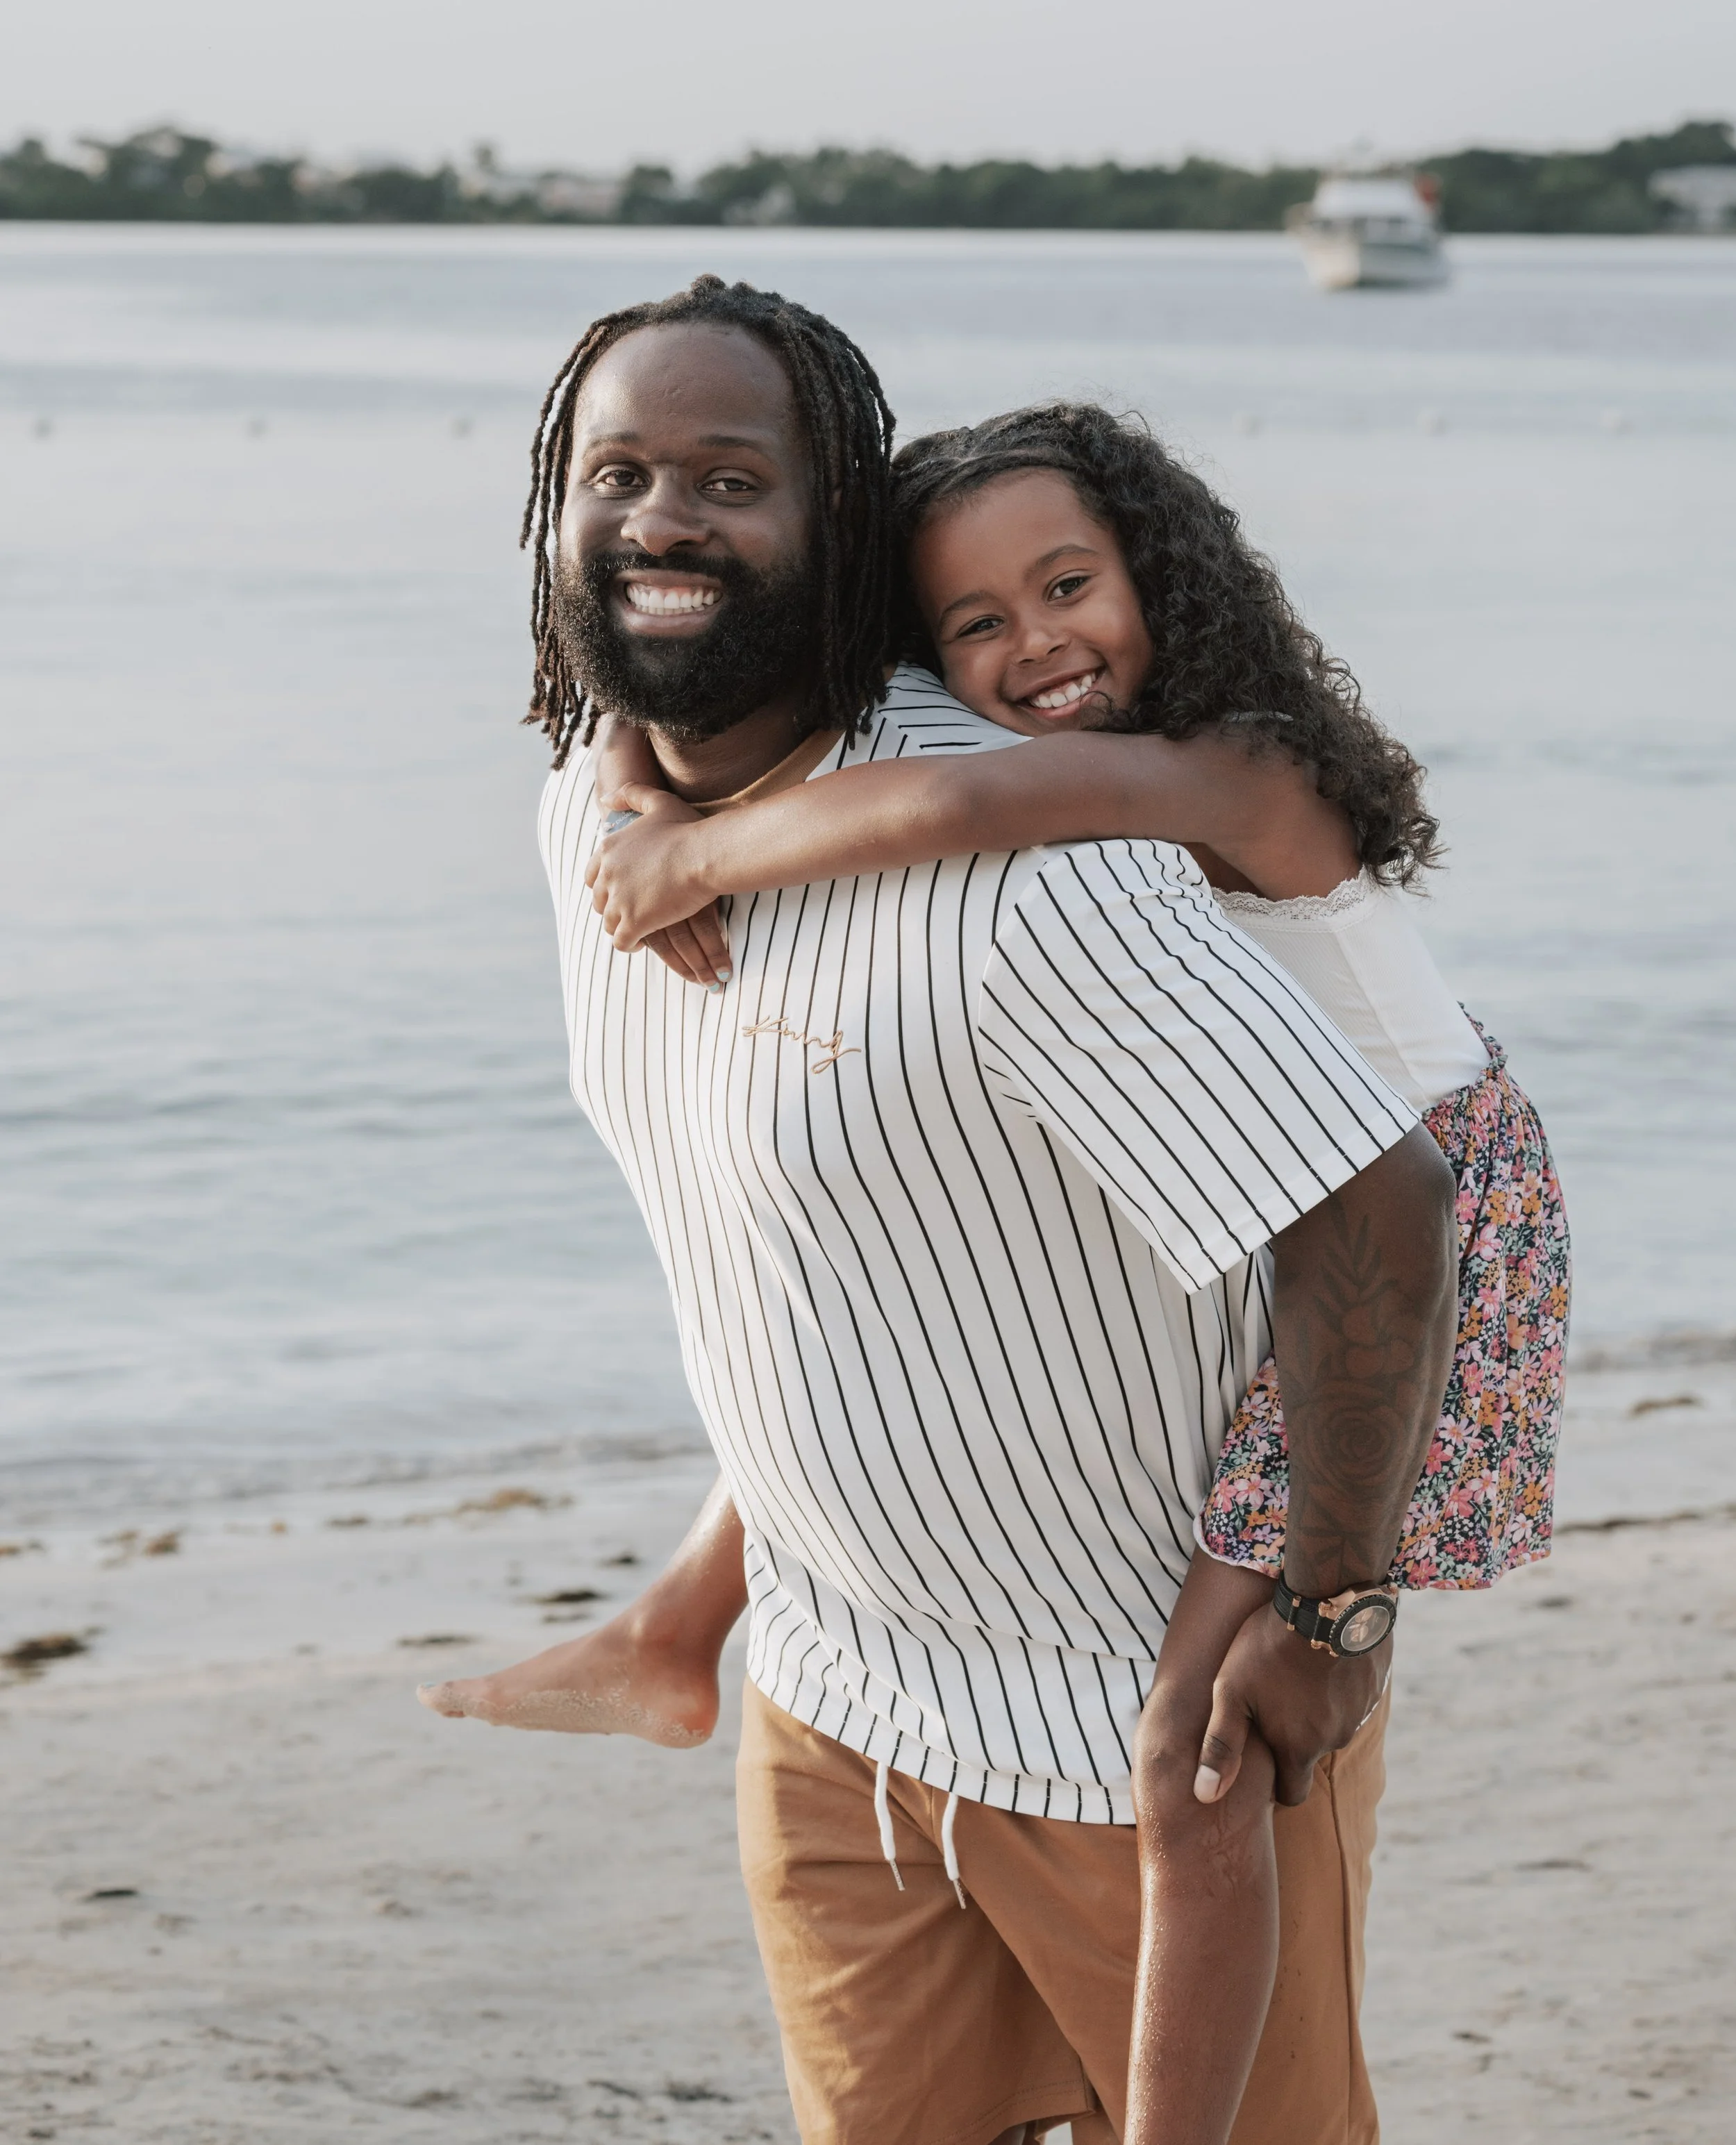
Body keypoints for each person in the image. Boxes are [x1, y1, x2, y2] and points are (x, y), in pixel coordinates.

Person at [424, 277, 1462, 2145]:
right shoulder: (589, 811)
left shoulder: (1035, 882)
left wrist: (1330, 1606)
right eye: (619, 473)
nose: (661, 517)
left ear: (842, 541)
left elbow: (1379, 1201)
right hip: (832, 1706)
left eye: (730, 481)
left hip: (1139, 1720)